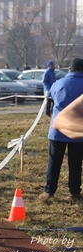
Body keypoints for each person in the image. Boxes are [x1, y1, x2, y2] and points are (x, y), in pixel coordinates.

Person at [39, 58, 83, 201]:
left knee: (54, 161)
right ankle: (75, 192)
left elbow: (50, 95)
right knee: (76, 163)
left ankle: (49, 191)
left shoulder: (58, 83)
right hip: (77, 130)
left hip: (57, 130)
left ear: (69, 69)